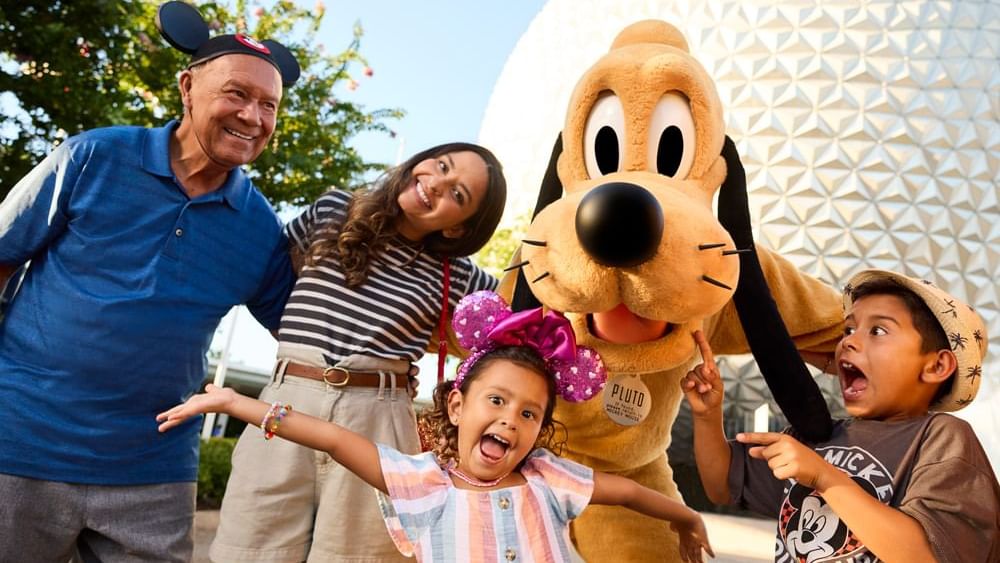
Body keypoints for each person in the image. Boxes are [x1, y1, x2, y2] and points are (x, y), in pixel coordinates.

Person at [0, 3, 302, 560]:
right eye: (236, 94)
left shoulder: (260, 229)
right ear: (187, 86)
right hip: (19, 447)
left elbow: (305, 330)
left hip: (154, 472)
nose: (252, 116)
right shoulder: (93, 155)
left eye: (269, 105)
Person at [159, 290, 715, 562]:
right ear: (456, 407)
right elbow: (331, 436)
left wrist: (688, 519)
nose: (509, 420)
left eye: (529, 414)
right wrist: (237, 404)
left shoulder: (551, 478)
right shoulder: (423, 482)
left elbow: (630, 493)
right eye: (496, 401)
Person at [208, 143, 507, 562]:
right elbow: (270, 279)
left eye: (458, 195)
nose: (437, 183)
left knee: (357, 555)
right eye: (441, 165)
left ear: (459, 228)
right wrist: (297, 343)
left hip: (379, 418)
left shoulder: (457, 276)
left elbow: (522, 314)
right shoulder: (333, 208)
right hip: (286, 396)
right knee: (250, 548)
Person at [682, 268, 999, 562]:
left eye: (877, 330)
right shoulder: (817, 436)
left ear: (936, 366)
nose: (849, 340)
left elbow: (925, 555)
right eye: (849, 328)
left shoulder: (941, 438)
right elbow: (722, 485)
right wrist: (708, 416)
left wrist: (825, 478)